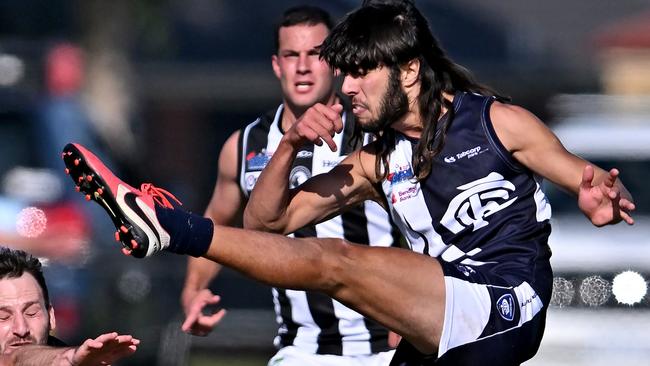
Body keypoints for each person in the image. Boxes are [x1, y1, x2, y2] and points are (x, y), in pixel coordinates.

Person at [60, 1, 635, 364]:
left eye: (361, 72)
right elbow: (268, 225)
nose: (348, 88)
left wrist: (594, 195)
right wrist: (289, 145)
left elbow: (580, 178)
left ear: (409, 70)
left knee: (334, 260)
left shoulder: (494, 121)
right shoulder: (376, 161)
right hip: (437, 326)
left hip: (506, 305)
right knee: (322, 254)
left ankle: (166, 225)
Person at [180, 5, 399, 365]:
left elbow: (423, 226)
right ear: (276, 65)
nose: (302, 66)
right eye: (291, 55)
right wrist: (193, 291)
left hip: (383, 350)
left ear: (335, 63)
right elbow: (215, 223)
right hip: (299, 352)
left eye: (315, 54)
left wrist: (413, 308)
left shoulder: (373, 135)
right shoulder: (244, 146)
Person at [0, 247, 139, 365]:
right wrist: (65, 359)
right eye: (3, 317)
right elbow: (15, 357)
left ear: (51, 316)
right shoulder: (67, 359)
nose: (21, 328)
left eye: (31, 313)